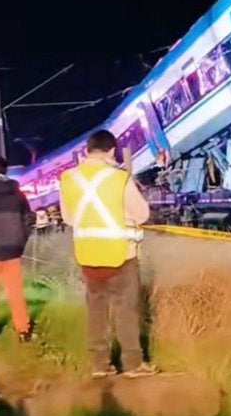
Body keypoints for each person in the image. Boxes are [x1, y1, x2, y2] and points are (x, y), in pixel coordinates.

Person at [59, 130, 158, 379]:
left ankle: (100, 365)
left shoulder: (69, 178)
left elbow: (69, 218)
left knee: (96, 309)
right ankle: (133, 364)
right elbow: (142, 213)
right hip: (120, 254)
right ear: (112, 151)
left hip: (88, 255)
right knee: (126, 309)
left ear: (88, 150)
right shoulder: (119, 178)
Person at [0, 156, 34, 345]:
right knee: (16, 291)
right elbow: (28, 220)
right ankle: (23, 330)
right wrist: (19, 242)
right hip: (12, 250)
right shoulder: (17, 193)